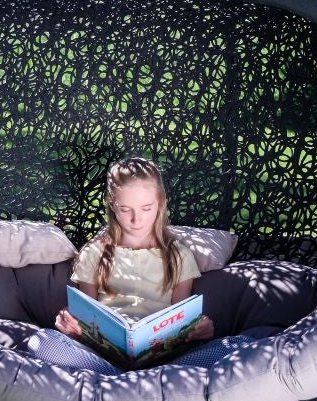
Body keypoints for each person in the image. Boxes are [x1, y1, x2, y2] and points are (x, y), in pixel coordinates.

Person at [30, 155, 227, 373]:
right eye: (126, 209)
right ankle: (121, 377)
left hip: (165, 361)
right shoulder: (94, 253)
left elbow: (180, 323)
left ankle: (122, 380)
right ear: (112, 205)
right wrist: (74, 329)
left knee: (233, 348)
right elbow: (87, 316)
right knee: (41, 342)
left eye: (146, 208)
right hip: (102, 357)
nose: (137, 219)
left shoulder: (179, 256)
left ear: (160, 203)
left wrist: (197, 331)